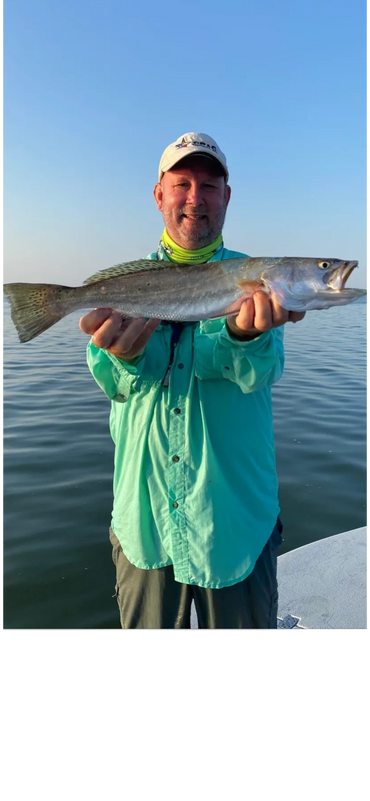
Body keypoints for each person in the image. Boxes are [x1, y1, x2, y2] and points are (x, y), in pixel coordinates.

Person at [79, 132, 305, 630]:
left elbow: (261, 373)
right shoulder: (128, 288)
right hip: (145, 526)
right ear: (159, 194)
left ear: (226, 196)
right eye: (182, 183)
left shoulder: (256, 280)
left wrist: (243, 334)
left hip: (234, 527)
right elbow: (111, 383)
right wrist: (124, 358)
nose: (195, 198)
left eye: (209, 185)